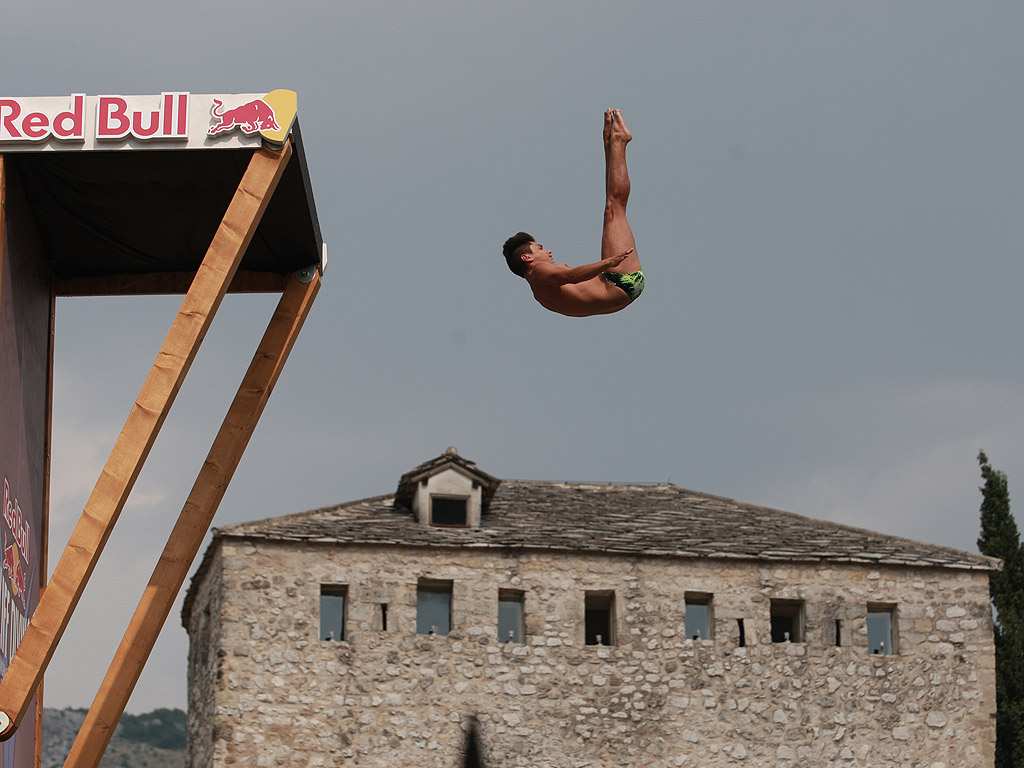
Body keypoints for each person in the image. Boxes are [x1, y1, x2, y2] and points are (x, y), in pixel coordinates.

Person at [503, 109, 644, 317]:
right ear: (527, 257)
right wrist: (608, 263)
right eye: (539, 248)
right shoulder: (540, 273)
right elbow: (572, 275)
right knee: (614, 208)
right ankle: (618, 142)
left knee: (612, 207)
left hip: (622, 291)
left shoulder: (541, 295)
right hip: (621, 280)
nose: (547, 251)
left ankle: (612, 144)